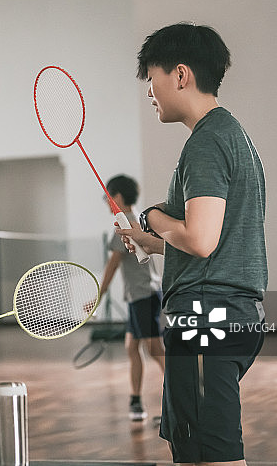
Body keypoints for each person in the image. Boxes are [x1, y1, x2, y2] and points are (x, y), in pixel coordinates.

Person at [117, 23, 266, 466]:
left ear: (180, 75)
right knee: (195, 449)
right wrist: (154, 240)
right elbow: (214, 242)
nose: (150, 91)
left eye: (153, 77)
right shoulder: (232, 136)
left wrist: (152, 216)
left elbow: (200, 239)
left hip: (207, 315)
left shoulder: (206, 143)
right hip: (226, 311)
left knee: (215, 456)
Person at [98, 175, 164, 422]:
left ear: (117, 198)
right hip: (143, 295)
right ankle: (136, 401)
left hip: (143, 296)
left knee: (156, 350)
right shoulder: (139, 221)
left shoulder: (124, 225)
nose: (106, 201)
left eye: (107, 197)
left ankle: (178, 401)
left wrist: (98, 295)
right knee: (132, 347)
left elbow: (112, 265)